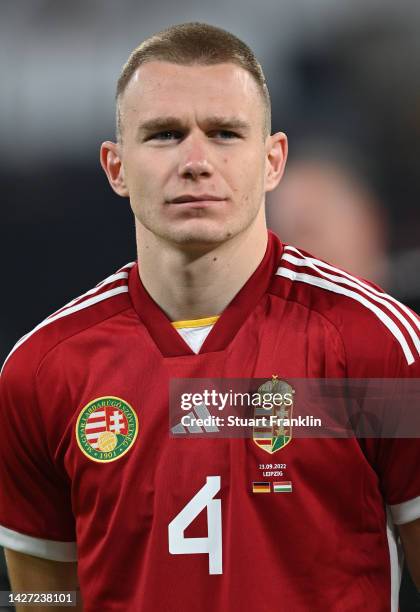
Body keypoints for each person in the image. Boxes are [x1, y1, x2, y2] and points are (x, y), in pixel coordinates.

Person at [0, 22, 419, 612]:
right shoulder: (41, 372)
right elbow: (45, 600)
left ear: (273, 160)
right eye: (165, 135)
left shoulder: (377, 345)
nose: (196, 161)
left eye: (224, 133)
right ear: (115, 167)